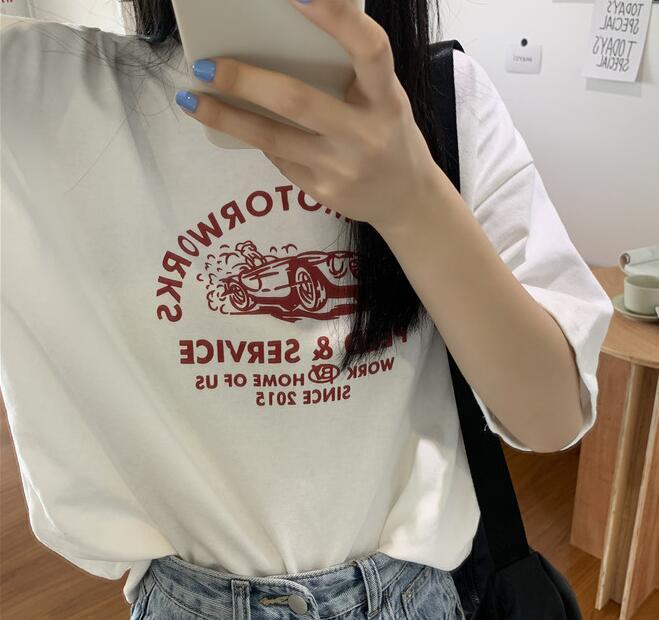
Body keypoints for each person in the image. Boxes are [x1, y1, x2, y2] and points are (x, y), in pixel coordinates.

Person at [0, 1, 614, 618]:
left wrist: (413, 199)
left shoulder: (444, 98)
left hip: (414, 595)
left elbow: (552, 418)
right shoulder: (37, 88)